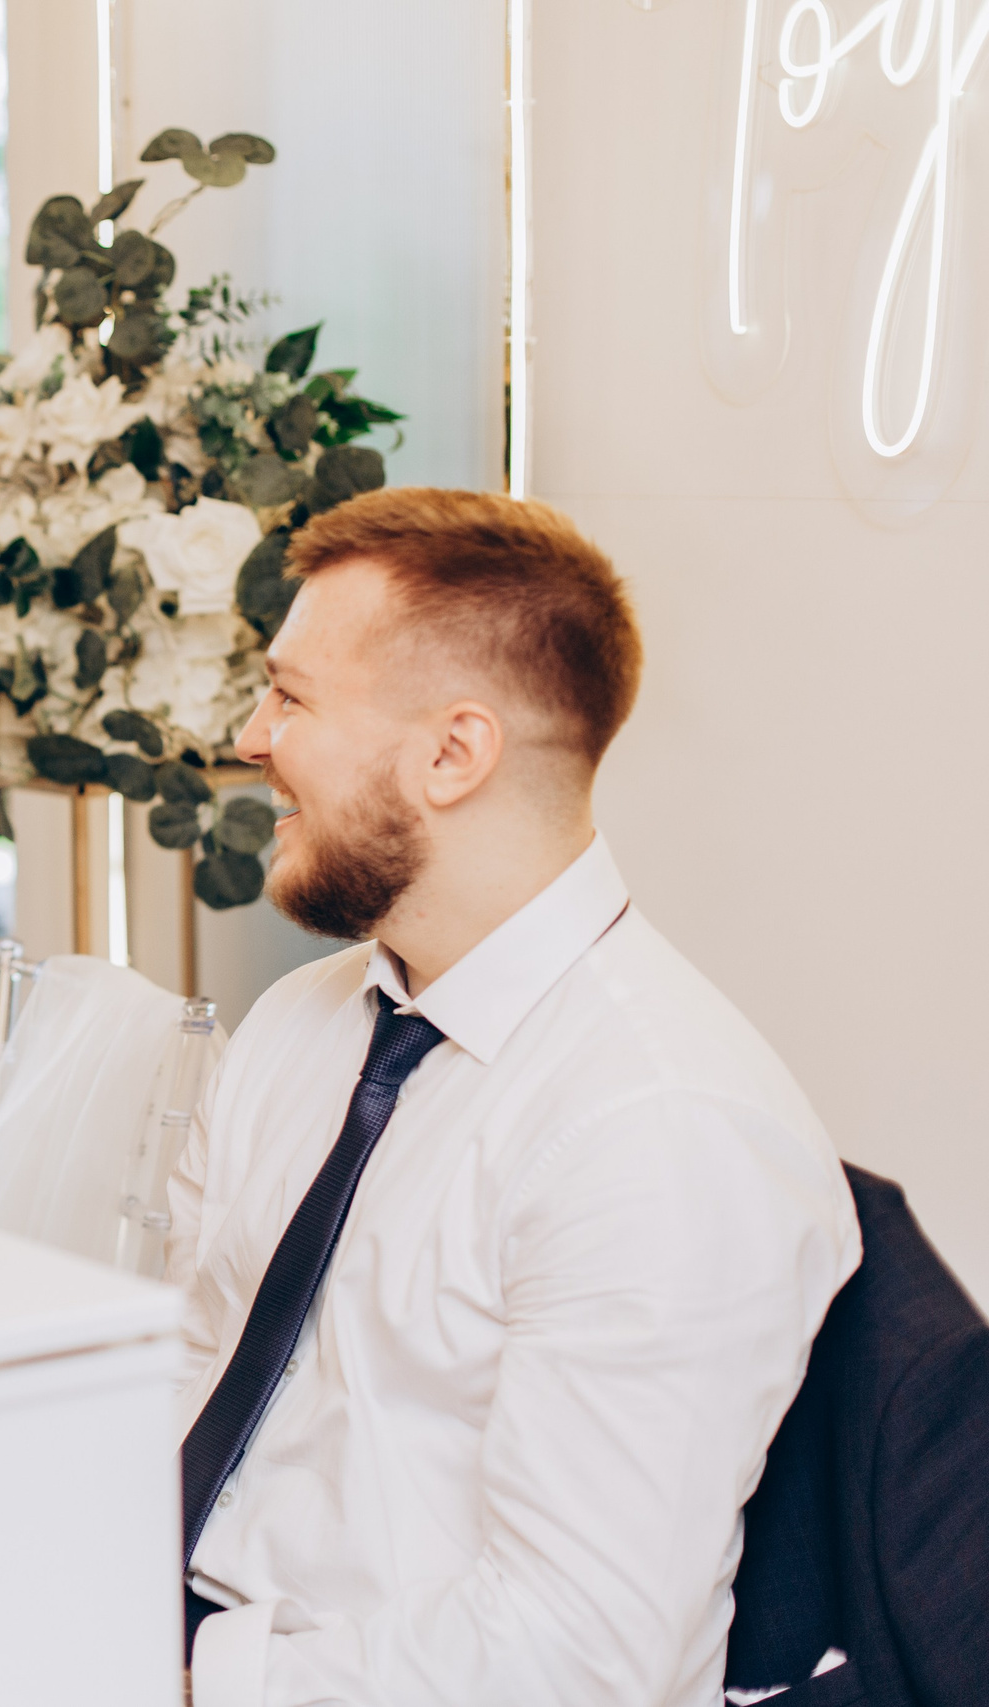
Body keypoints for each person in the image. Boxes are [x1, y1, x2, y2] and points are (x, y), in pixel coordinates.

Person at [170, 488, 860, 1706]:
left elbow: (575, 1654)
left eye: (289, 697)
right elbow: (192, 1359)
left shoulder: (660, 1129)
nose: (247, 735)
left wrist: (177, 1683)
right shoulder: (302, 1023)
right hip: (163, 1620)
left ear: (452, 753)